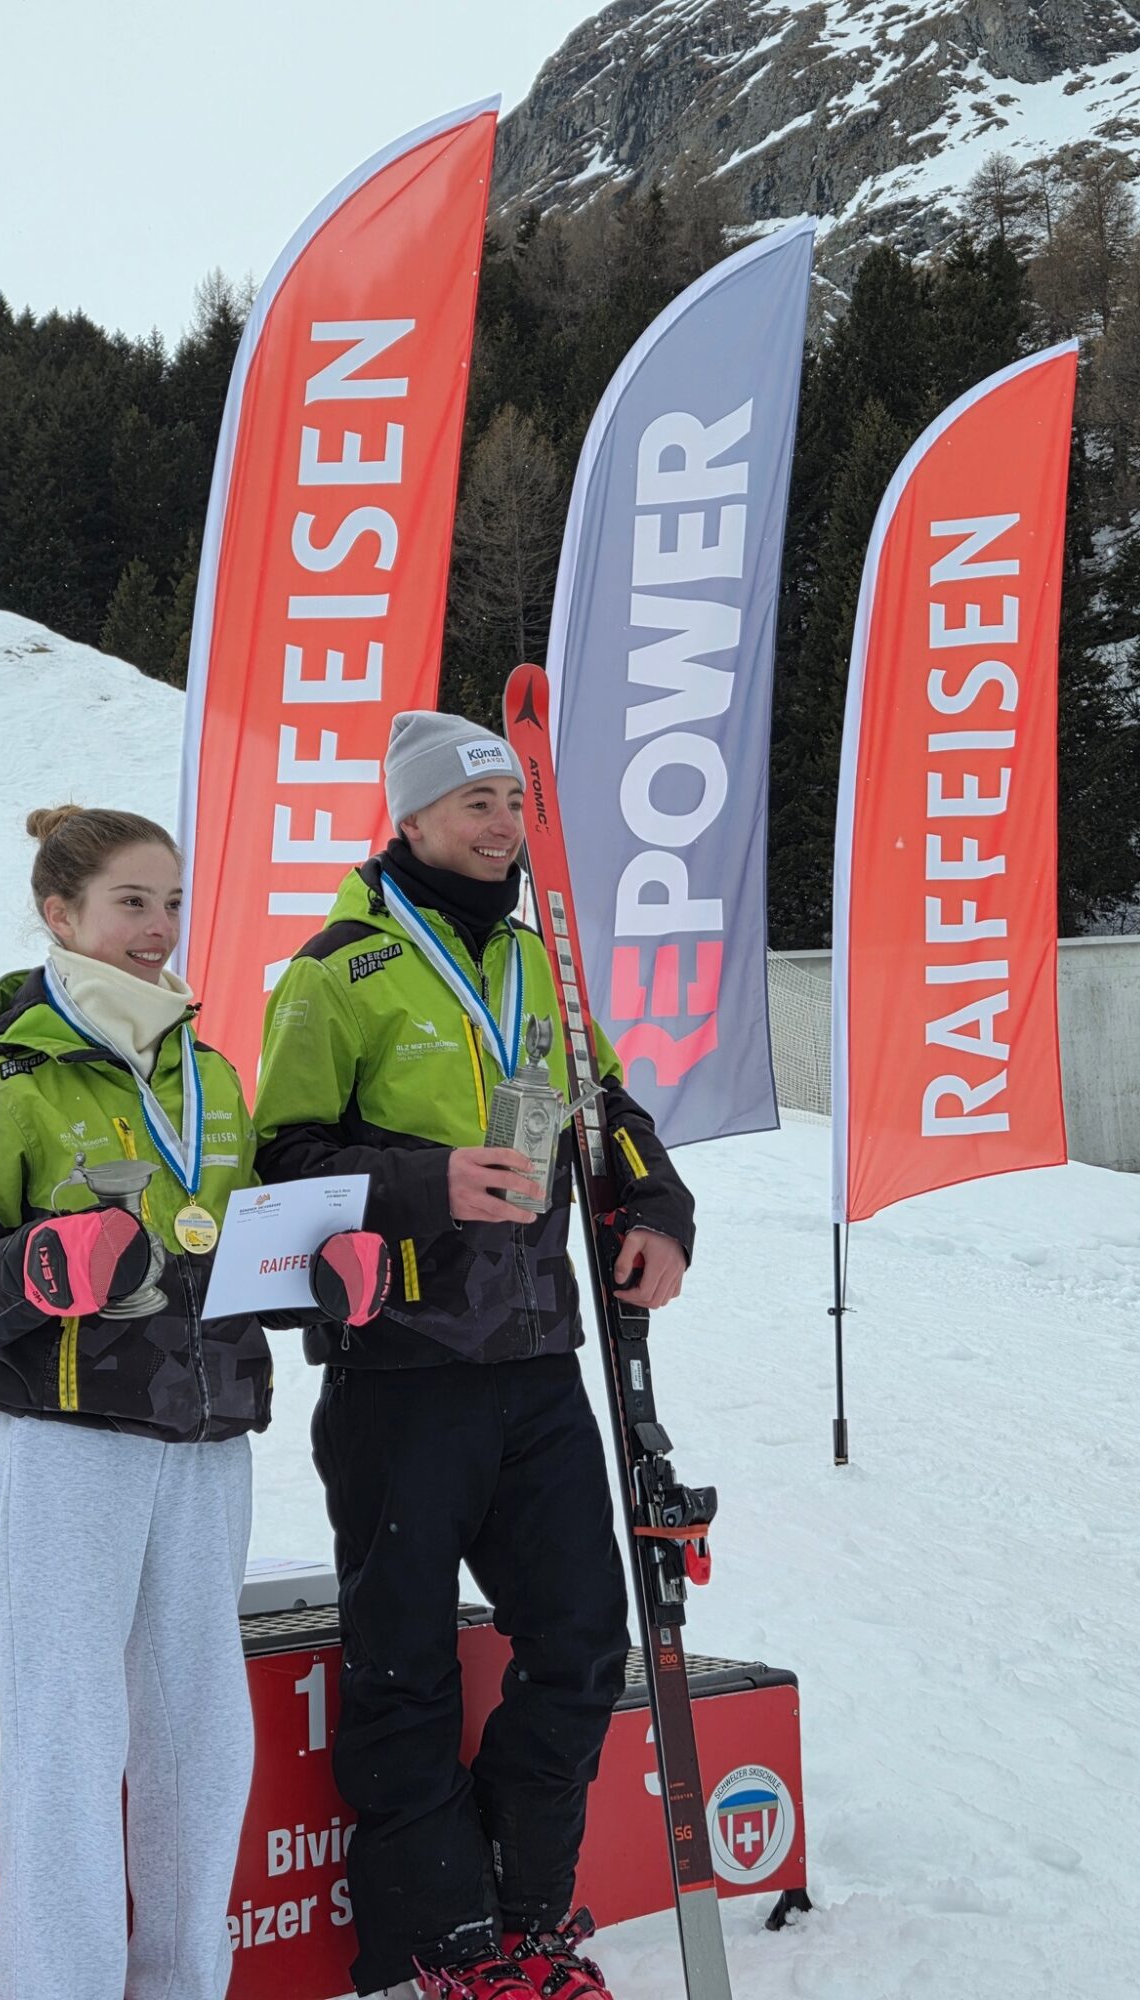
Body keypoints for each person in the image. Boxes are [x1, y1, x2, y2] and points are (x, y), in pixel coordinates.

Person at [0, 804, 388, 2000]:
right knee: (69, 1737)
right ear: (60, 914)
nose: (158, 925)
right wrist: (39, 1264)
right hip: (71, 1445)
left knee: (199, 1741)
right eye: (130, 901)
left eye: (171, 901)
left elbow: (229, 1252)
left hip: (208, 1441)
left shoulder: (206, 1073)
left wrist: (318, 1275)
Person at [254, 713, 696, 2000]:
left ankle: (524, 1914)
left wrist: (659, 1210)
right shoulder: (336, 974)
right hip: (400, 1370)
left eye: (511, 801)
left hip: (539, 1360)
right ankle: (441, 1941)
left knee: (582, 1640)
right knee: (403, 1665)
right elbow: (277, 1164)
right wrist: (425, 1181)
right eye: (475, 804)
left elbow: (609, 1114)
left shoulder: (540, 963)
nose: (503, 824)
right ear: (410, 818)